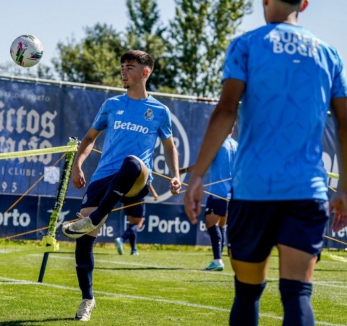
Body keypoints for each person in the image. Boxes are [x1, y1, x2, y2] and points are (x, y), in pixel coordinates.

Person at [183, 1, 347, 325]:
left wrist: (197, 174)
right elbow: (344, 123)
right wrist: (344, 187)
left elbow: (226, 110)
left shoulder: (246, 45)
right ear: (303, 3)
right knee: (297, 294)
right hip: (307, 191)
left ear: (264, 1)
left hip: (253, 189)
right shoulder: (328, 53)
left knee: (246, 293)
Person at [62, 50, 181, 321]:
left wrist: (176, 175)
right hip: (104, 177)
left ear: (145, 72)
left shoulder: (160, 111)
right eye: (122, 67)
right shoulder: (111, 104)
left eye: (129, 67)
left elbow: (169, 146)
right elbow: (90, 138)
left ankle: (93, 218)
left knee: (131, 162)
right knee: (83, 242)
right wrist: (78, 165)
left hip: (137, 177)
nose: (123, 71)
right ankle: (87, 299)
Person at [201, 129, 237, 271]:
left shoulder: (219, 144)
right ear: (232, 129)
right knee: (221, 225)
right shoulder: (236, 145)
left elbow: (203, 163)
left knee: (211, 223)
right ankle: (219, 258)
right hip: (231, 193)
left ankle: (217, 260)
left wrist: (183, 171)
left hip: (217, 193)